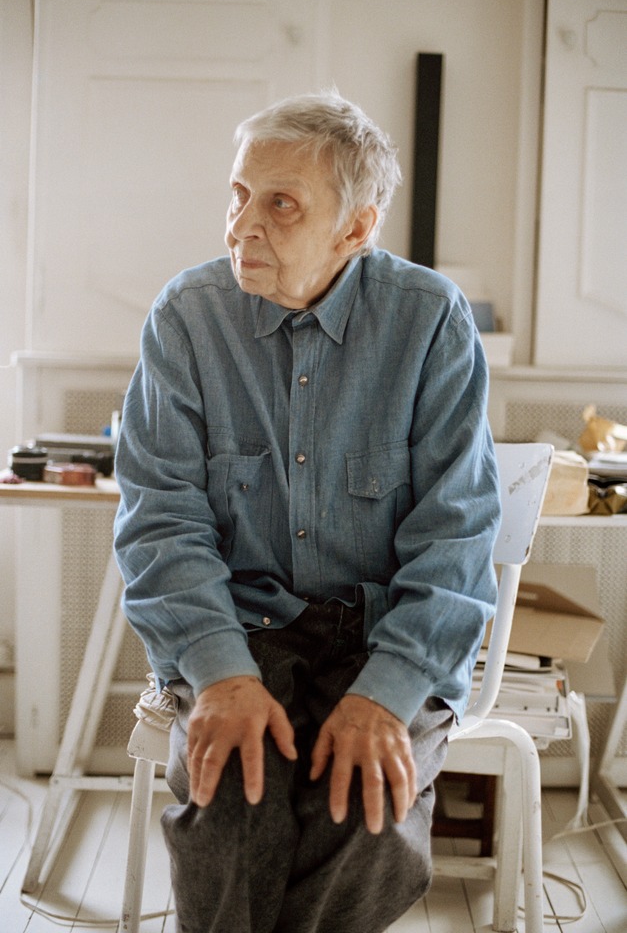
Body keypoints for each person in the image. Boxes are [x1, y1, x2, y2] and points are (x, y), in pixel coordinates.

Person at [114, 91, 501, 933]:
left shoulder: (428, 320)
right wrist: (220, 674)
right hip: (240, 629)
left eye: (280, 204)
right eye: (237, 194)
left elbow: (457, 535)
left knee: (368, 818)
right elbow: (159, 521)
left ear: (355, 228)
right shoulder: (187, 317)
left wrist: (385, 696)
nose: (241, 226)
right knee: (228, 804)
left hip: (382, 632)